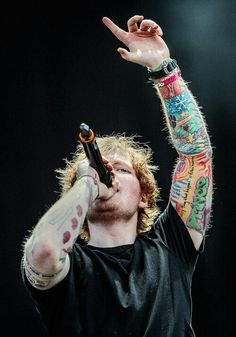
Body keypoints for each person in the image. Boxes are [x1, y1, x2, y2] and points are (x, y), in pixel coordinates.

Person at [21, 15, 213, 337]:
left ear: (143, 196)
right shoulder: (71, 269)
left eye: (121, 170)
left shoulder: (171, 246)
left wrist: (164, 71)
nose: (106, 174)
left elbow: (196, 157)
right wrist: (86, 182)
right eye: (98, 170)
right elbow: (42, 250)